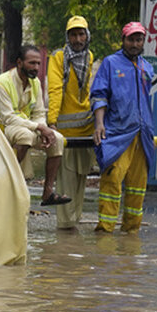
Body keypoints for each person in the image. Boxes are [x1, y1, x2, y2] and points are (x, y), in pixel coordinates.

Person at [91, 21, 157, 233]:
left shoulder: (147, 67)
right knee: (112, 183)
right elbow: (99, 95)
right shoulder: (111, 63)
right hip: (117, 133)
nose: (135, 44)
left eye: (139, 40)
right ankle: (105, 232)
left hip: (143, 134)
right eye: (131, 39)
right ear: (123, 40)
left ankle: (131, 233)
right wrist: (99, 124)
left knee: (138, 187)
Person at [0, 44, 70, 207]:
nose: (36, 67)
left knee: (57, 139)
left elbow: (39, 112)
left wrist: (44, 129)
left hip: (24, 125)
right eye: (32, 63)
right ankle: (7, 183)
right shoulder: (2, 83)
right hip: (0, 127)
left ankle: (48, 193)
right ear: (19, 63)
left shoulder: (35, 83)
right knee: (26, 136)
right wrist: (39, 128)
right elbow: (8, 117)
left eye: (38, 63)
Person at [46, 15, 100, 229]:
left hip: (85, 131)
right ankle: (66, 229)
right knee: (66, 183)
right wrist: (52, 123)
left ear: (87, 36)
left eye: (81, 34)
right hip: (65, 134)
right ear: (67, 37)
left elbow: (86, 92)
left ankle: (73, 225)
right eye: (73, 34)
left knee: (80, 181)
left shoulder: (89, 56)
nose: (77, 39)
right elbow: (55, 90)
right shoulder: (59, 57)